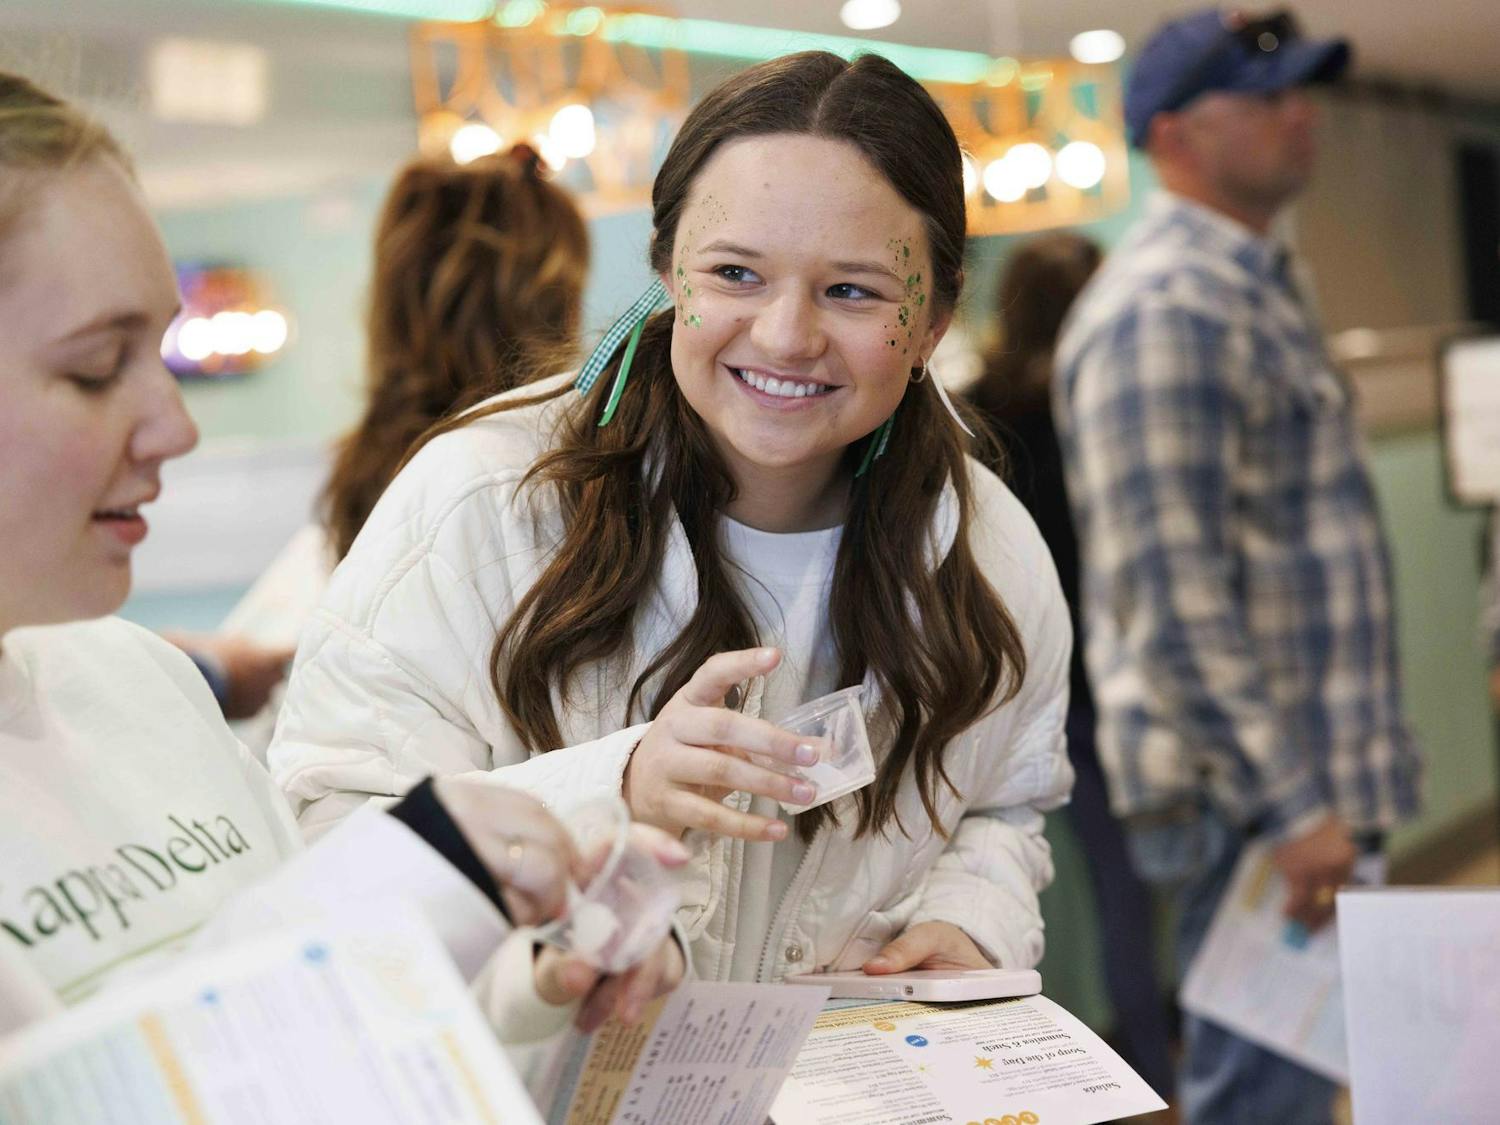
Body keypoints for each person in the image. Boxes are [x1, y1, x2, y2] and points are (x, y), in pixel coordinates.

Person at [270, 50, 1073, 986]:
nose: (784, 336)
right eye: (735, 274)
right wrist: (616, 790)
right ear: (666, 271)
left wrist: (968, 918)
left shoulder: (985, 549)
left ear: (933, 319)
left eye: (853, 290)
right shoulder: (483, 499)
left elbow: (1006, 807)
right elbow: (332, 836)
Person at [0, 71, 683, 1044]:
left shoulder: (142, 685)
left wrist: (537, 996)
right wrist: (417, 866)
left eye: (160, 354)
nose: (175, 428)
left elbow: (321, 1021)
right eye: (96, 368)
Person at [1053, 10, 1422, 1123]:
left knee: (1297, 1087)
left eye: (1296, 94)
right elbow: (1172, 599)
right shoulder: (1168, 306)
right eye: (1261, 99)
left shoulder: (1254, 283)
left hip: (1298, 786)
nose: (1298, 116)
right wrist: (1295, 805)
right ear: (1172, 135)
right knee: (1260, 1097)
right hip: (1255, 801)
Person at [968, 232, 1175, 1101]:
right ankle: (1165, 1076)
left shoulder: (976, 416)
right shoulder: (1115, 404)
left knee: (1077, 900)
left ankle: (1114, 1083)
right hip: (1125, 685)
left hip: (1026, 694)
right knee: (1152, 897)